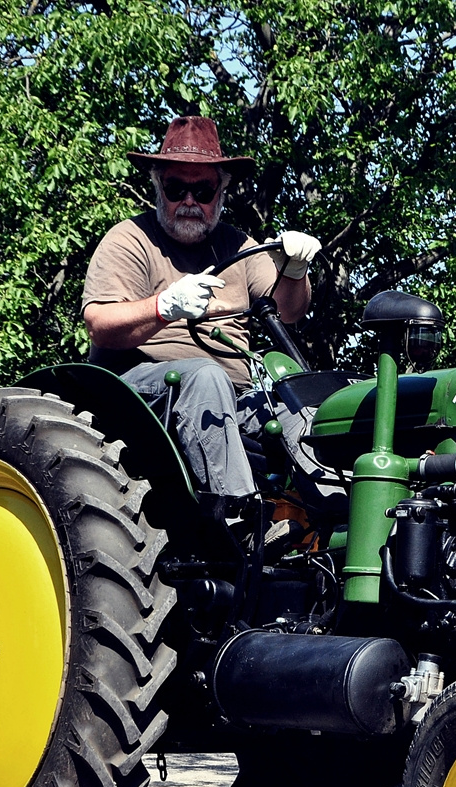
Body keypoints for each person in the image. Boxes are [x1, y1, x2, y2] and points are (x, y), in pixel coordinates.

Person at [80, 115, 320, 521]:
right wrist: (163, 306)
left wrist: (295, 270)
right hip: (141, 393)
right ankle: (241, 522)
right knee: (205, 378)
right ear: (158, 187)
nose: (189, 201)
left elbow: (291, 310)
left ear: (221, 192)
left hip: (236, 396)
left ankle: (345, 530)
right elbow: (99, 323)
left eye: (203, 189)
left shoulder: (238, 245)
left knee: (308, 404)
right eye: (176, 188)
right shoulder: (129, 239)